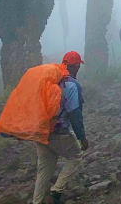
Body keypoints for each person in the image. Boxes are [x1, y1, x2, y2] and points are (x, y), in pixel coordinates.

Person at [33, 51, 89, 204]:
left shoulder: (50, 81)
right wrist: (82, 138)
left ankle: (36, 201)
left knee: (44, 169)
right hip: (60, 132)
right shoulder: (72, 85)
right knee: (75, 157)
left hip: (41, 131)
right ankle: (56, 191)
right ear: (77, 66)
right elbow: (74, 115)